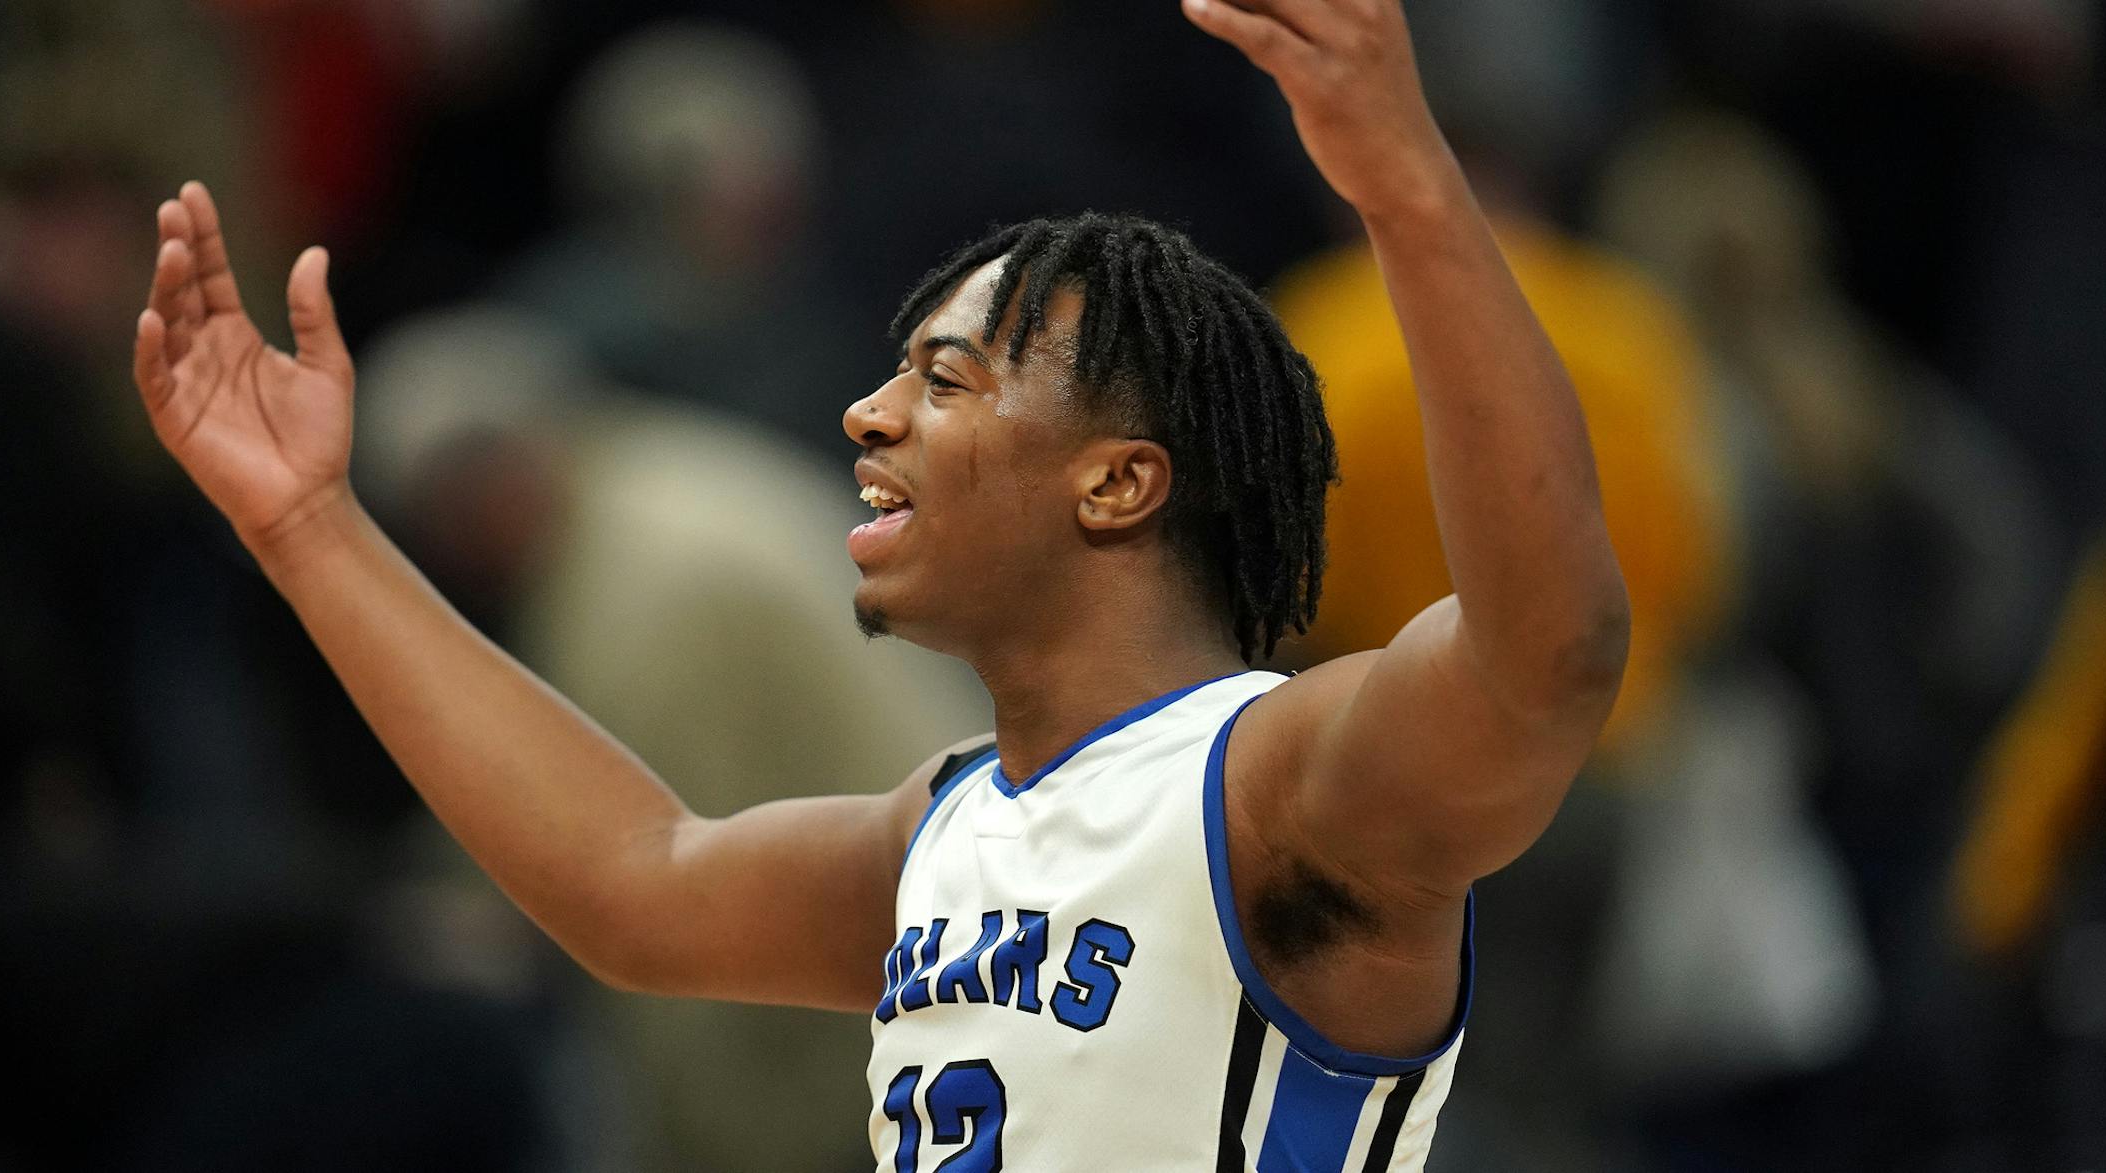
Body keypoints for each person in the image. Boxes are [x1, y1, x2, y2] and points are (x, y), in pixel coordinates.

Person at [129, 1, 1629, 1167]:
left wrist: (1408, 188)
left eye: (948, 379)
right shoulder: (949, 823)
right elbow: (634, 884)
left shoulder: (1275, 782)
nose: (870, 418)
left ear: (1117, 479)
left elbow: (1549, 654)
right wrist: (310, 528)